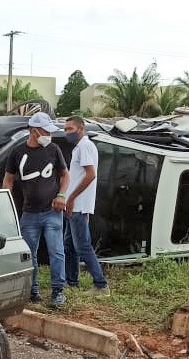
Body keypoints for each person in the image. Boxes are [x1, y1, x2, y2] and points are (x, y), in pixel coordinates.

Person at [3, 112, 70, 307]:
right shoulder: (17, 153)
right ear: (34, 132)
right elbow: (8, 180)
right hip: (29, 213)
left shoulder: (53, 150)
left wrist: (61, 196)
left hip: (52, 212)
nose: (49, 135)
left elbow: (65, 176)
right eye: (46, 131)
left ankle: (58, 291)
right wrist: (5, 200)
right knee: (28, 254)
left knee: (56, 251)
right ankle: (32, 290)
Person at [63, 115, 109, 296]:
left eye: (70, 129)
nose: (67, 133)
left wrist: (72, 198)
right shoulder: (81, 147)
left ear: (80, 129)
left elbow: (91, 175)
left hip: (77, 206)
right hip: (76, 206)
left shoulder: (84, 147)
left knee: (82, 246)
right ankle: (71, 281)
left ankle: (101, 284)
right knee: (70, 245)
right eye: (65, 129)